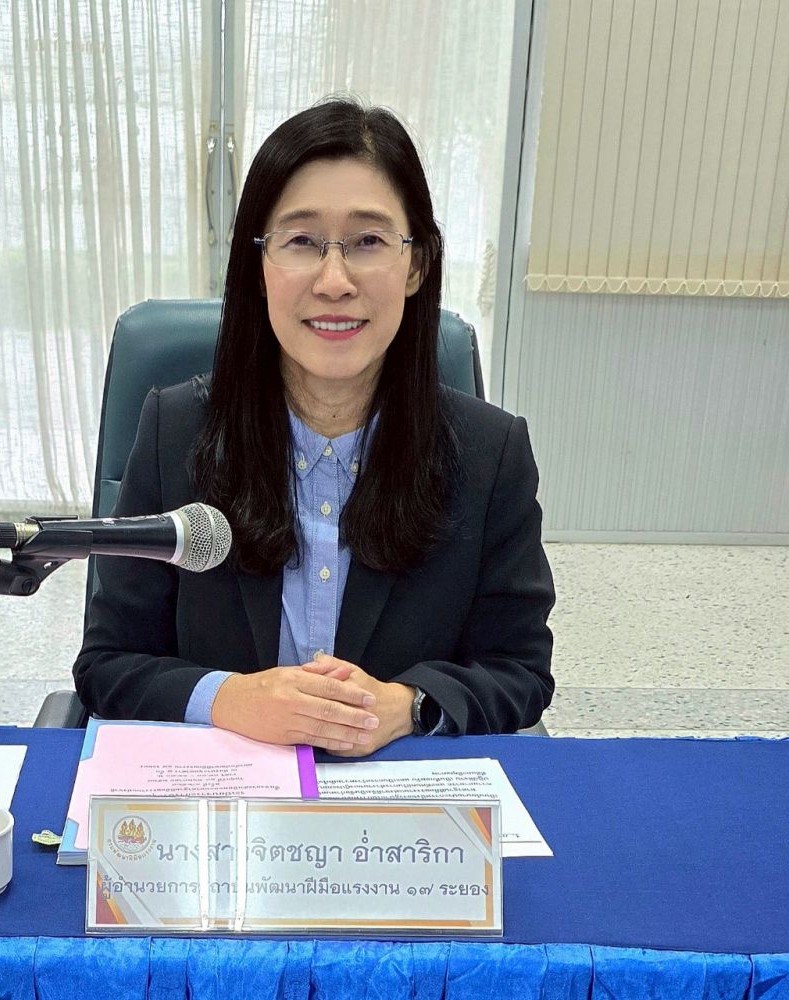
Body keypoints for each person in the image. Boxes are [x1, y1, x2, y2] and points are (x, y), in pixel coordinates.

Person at [72, 99, 554, 756]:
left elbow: (519, 671)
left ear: (416, 264)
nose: (334, 281)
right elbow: (107, 664)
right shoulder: (176, 432)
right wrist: (228, 697)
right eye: (301, 242)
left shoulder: (491, 454)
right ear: (258, 265)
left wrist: (408, 705)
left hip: (397, 797)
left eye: (368, 241)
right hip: (225, 793)